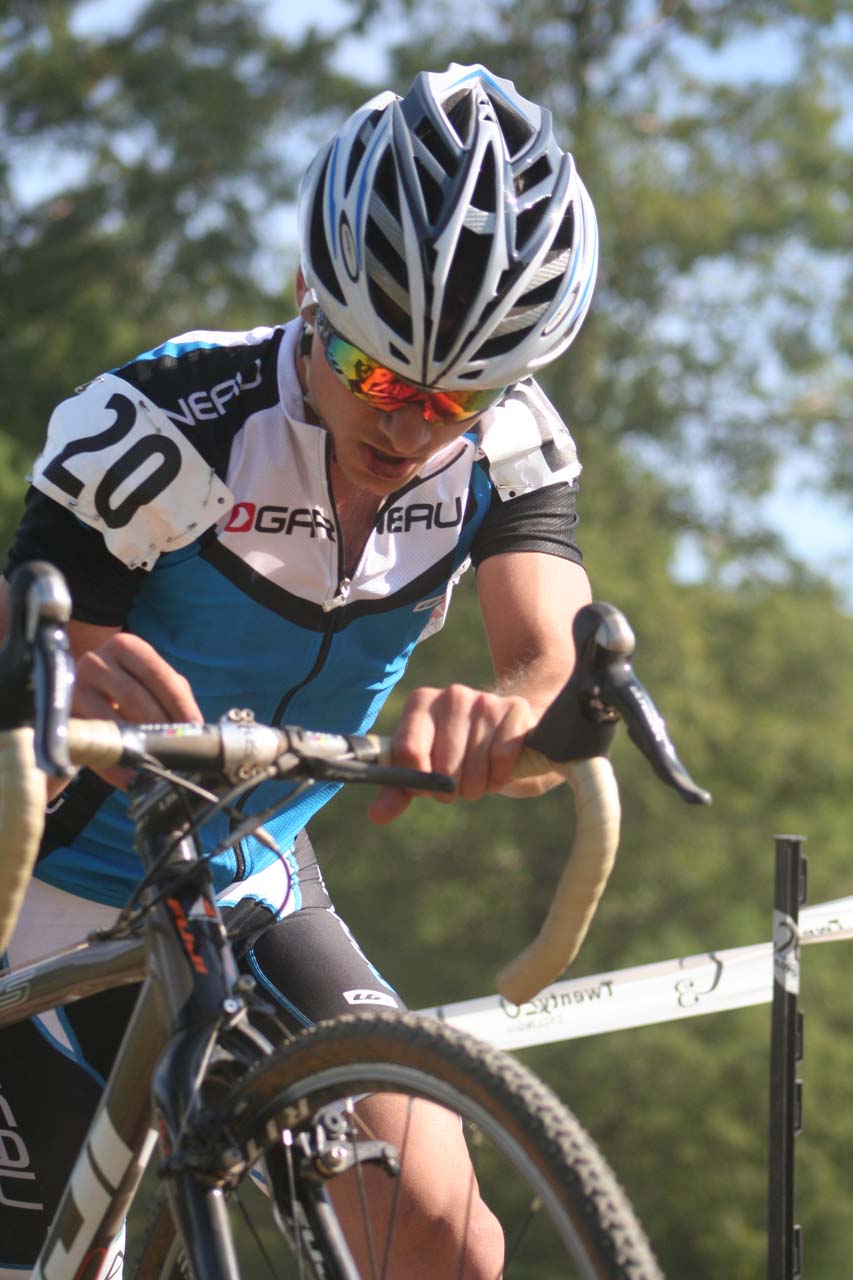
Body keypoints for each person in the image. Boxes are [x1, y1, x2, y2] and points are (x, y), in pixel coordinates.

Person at [0, 62, 597, 1277]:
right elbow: (21, 634)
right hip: (36, 879)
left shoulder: (514, 446)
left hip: (239, 870)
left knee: (443, 1238)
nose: (410, 430)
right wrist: (65, 656)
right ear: (305, 296)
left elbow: (552, 664)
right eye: (378, 376)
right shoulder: (170, 423)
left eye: (455, 398)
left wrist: (506, 718)